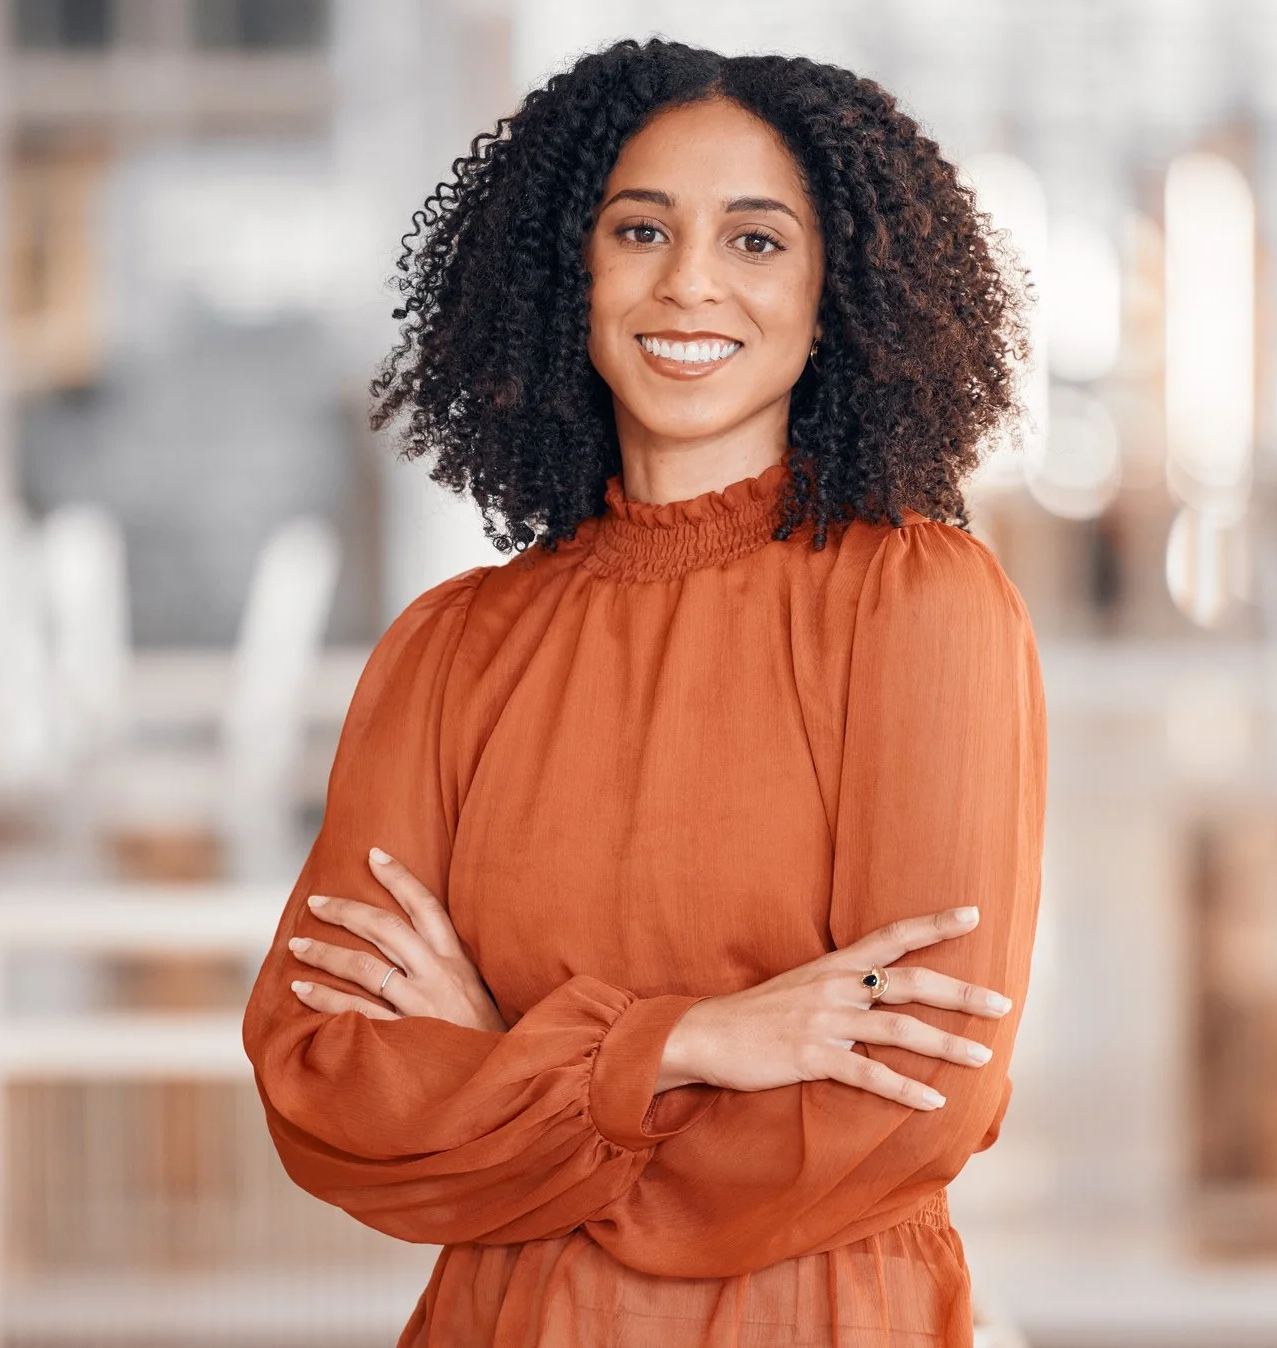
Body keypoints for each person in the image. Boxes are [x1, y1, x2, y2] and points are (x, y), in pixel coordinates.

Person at [242, 38, 1045, 1346]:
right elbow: (329, 1085)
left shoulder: (918, 606)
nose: (689, 284)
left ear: (838, 290)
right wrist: (684, 1046)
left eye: (756, 241)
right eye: (640, 229)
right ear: (574, 269)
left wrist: (512, 1063)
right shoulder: (449, 651)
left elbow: (909, 1103)